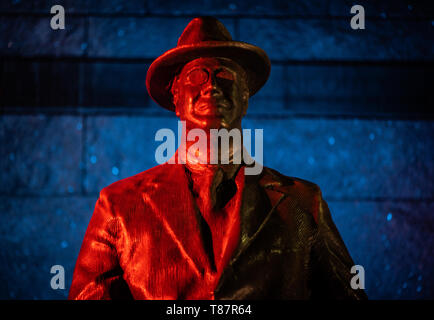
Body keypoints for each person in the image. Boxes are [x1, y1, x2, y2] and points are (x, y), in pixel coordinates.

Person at [69, 16, 367, 300]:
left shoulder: (303, 203)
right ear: (175, 96)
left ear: (246, 95)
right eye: (196, 75)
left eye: (224, 74)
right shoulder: (119, 205)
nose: (211, 86)